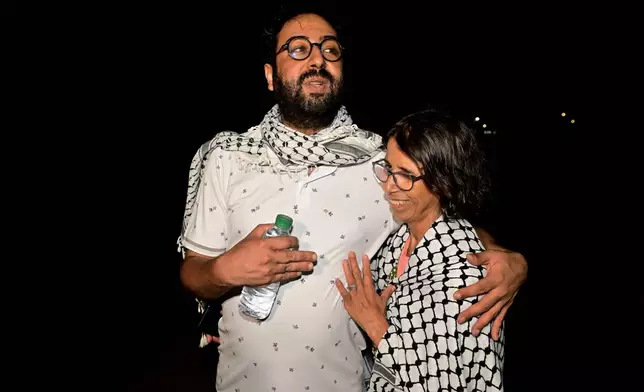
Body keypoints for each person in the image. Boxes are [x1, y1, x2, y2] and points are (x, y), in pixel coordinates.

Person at [177, 8, 525, 392]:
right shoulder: (229, 156)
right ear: (270, 76)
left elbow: (436, 218)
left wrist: (506, 257)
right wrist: (226, 270)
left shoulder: (380, 159)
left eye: (330, 50)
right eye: (297, 49)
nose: (316, 59)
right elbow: (194, 273)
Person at [336, 108, 504, 391]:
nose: (389, 187)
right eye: (389, 169)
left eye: (406, 175)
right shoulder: (401, 238)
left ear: (444, 181)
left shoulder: (462, 280)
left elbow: (442, 385)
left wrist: (376, 326)